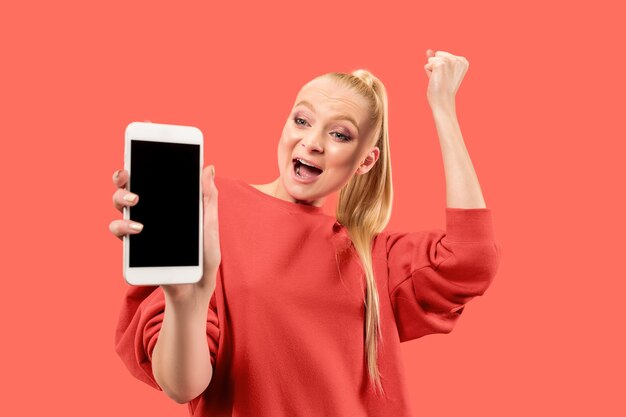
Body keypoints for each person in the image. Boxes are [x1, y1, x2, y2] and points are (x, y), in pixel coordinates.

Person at [109, 49, 502, 416]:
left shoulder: (371, 256)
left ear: (365, 161)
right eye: (302, 120)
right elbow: (183, 385)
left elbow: (471, 257)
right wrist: (185, 302)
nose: (312, 143)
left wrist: (444, 109)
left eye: (340, 134)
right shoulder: (213, 208)